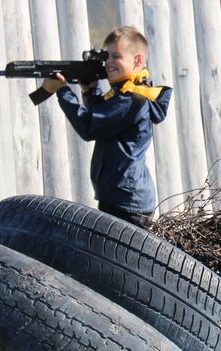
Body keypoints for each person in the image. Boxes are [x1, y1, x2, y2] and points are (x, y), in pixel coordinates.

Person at [41, 26, 172, 227]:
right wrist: (90, 92)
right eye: (106, 56)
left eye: (116, 56)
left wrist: (63, 91)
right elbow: (105, 120)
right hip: (124, 196)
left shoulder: (131, 99)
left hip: (126, 201)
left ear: (137, 60)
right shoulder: (127, 95)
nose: (108, 62)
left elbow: (89, 127)